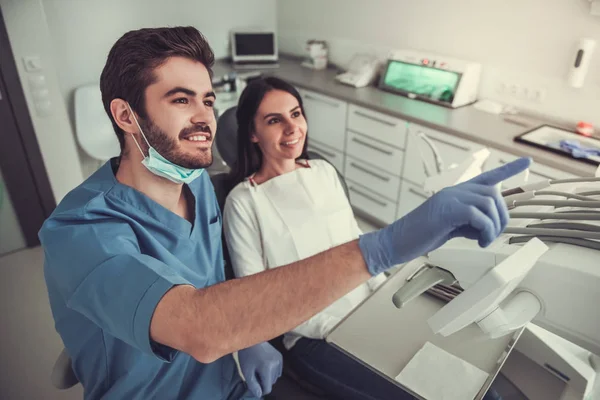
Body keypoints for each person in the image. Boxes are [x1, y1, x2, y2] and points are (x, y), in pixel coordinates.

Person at [39, 26, 530, 400]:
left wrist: (245, 341)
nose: (204, 118)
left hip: (237, 383)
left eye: (207, 100)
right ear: (126, 116)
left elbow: (220, 283)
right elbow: (197, 326)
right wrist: (384, 245)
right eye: (180, 100)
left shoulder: (199, 188)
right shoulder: (82, 232)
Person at [222, 77, 504, 400]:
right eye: (274, 120)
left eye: (296, 113)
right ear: (253, 133)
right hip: (315, 338)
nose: (292, 128)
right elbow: (253, 297)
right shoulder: (244, 202)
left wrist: (387, 300)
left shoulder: (323, 172)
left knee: (478, 391)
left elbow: (355, 242)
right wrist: (346, 328)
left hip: (371, 310)